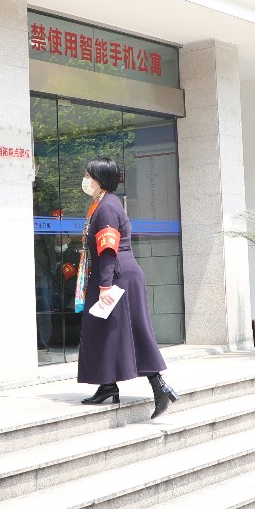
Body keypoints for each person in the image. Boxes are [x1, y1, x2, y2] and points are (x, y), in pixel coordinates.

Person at [76, 158, 178, 418]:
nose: (85, 179)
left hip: (116, 276)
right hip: (113, 274)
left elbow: (108, 250)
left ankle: (160, 387)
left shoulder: (107, 207)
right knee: (103, 330)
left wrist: (105, 285)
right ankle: (108, 384)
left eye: (89, 175)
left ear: (99, 179)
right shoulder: (103, 203)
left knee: (130, 331)